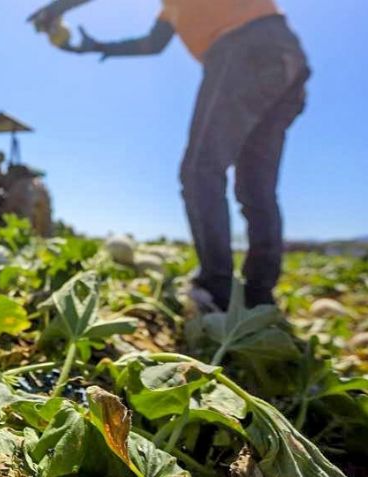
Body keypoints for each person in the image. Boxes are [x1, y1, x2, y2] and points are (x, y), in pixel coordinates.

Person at [31, 0, 310, 310]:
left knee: (200, 170)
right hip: (286, 59)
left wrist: (56, 9)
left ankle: (216, 289)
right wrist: (95, 46)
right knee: (256, 187)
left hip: (245, 47)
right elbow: (153, 44)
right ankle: (259, 297)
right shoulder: (169, 9)